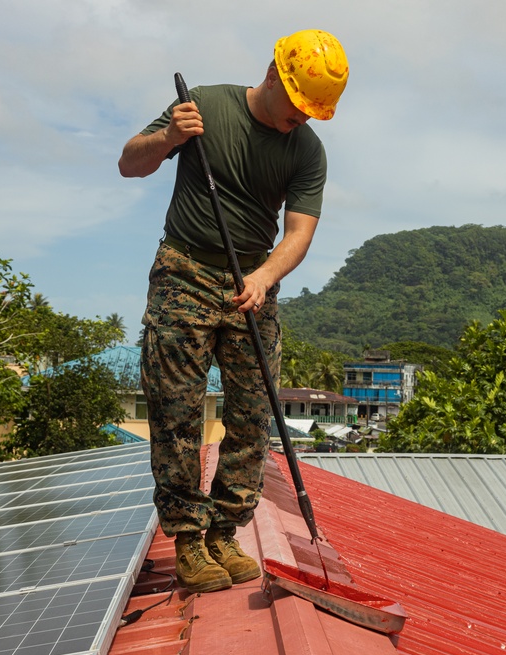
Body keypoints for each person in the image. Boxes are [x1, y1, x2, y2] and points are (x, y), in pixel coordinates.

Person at [118, 30, 348, 593]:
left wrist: (267, 276)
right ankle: (189, 540)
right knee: (177, 412)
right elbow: (130, 164)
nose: (301, 120)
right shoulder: (205, 105)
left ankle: (225, 530)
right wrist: (170, 135)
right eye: (297, 107)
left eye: (312, 113)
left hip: (253, 280)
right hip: (185, 271)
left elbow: (299, 231)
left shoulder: (307, 150)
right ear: (274, 74)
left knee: (252, 412)